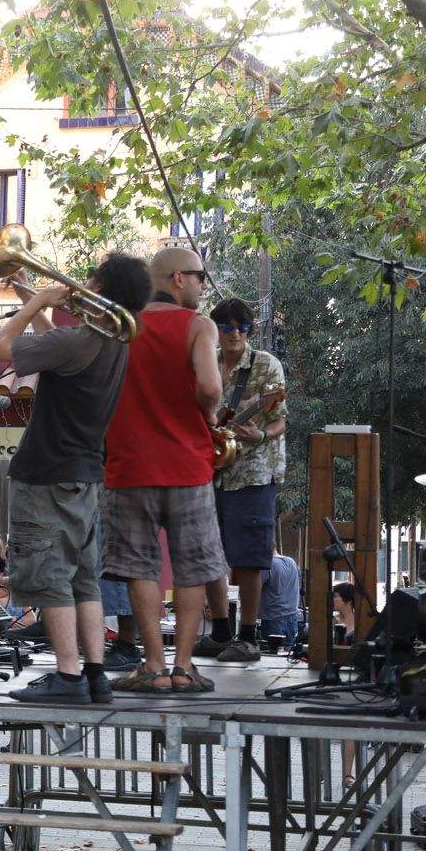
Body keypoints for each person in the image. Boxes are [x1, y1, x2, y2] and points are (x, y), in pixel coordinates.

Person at [0, 253, 152, 705]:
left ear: (103, 291)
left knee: (49, 575)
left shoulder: (83, 340)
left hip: (47, 475)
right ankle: (94, 674)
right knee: (83, 579)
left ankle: (67, 676)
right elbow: (53, 343)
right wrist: (27, 291)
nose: (81, 286)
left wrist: (32, 302)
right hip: (84, 477)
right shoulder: (113, 341)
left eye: (90, 281)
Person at [101, 247, 227, 694]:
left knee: (140, 569)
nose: (202, 286)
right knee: (193, 569)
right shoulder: (199, 326)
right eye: (199, 277)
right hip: (188, 466)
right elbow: (210, 386)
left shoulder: (118, 326)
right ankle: (183, 667)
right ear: (177, 278)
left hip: (129, 465)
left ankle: (152, 667)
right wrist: (208, 414)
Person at [197, 297, 289, 664]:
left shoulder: (266, 365)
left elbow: (280, 420)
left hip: (254, 472)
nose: (235, 333)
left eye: (243, 327)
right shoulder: (205, 363)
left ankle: (248, 637)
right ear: (215, 329)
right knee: (209, 552)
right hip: (208, 469)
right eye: (227, 326)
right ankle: (220, 633)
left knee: (250, 556)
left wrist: (261, 436)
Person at [260, 552, 303, 647]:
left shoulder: (267, 565)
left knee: (272, 656)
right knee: (289, 655)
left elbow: (254, 588)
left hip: (273, 618)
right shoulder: (291, 561)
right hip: (292, 617)